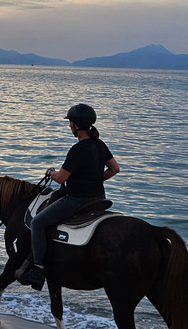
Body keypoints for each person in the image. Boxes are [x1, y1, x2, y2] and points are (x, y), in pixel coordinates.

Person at [17, 103, 120, 291]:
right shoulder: (100, 145)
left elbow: (61, 178)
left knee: (37, 224)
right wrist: (97, 180)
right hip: (98, 199)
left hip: (77, 200)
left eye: (70, 123)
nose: (69, 126)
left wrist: (52, 171)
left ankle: (38, 268)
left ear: (76, 125)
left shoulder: (78, 149)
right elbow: (115, 169)